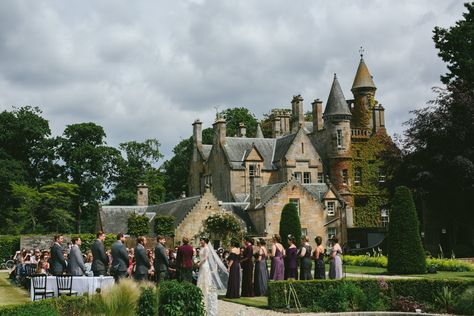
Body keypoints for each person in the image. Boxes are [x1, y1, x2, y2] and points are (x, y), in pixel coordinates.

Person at [197, 237, 229, 316]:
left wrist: (200, 263)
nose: (200, 241)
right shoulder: (202, 247)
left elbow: (206, 257)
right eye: (200, 240)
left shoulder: (207, 248)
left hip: (204, 265)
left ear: (205, 241)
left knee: (205, 278)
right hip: (201, 264)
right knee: (201, 277)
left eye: (201, 240)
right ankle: (200, 291)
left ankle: (206, 291)